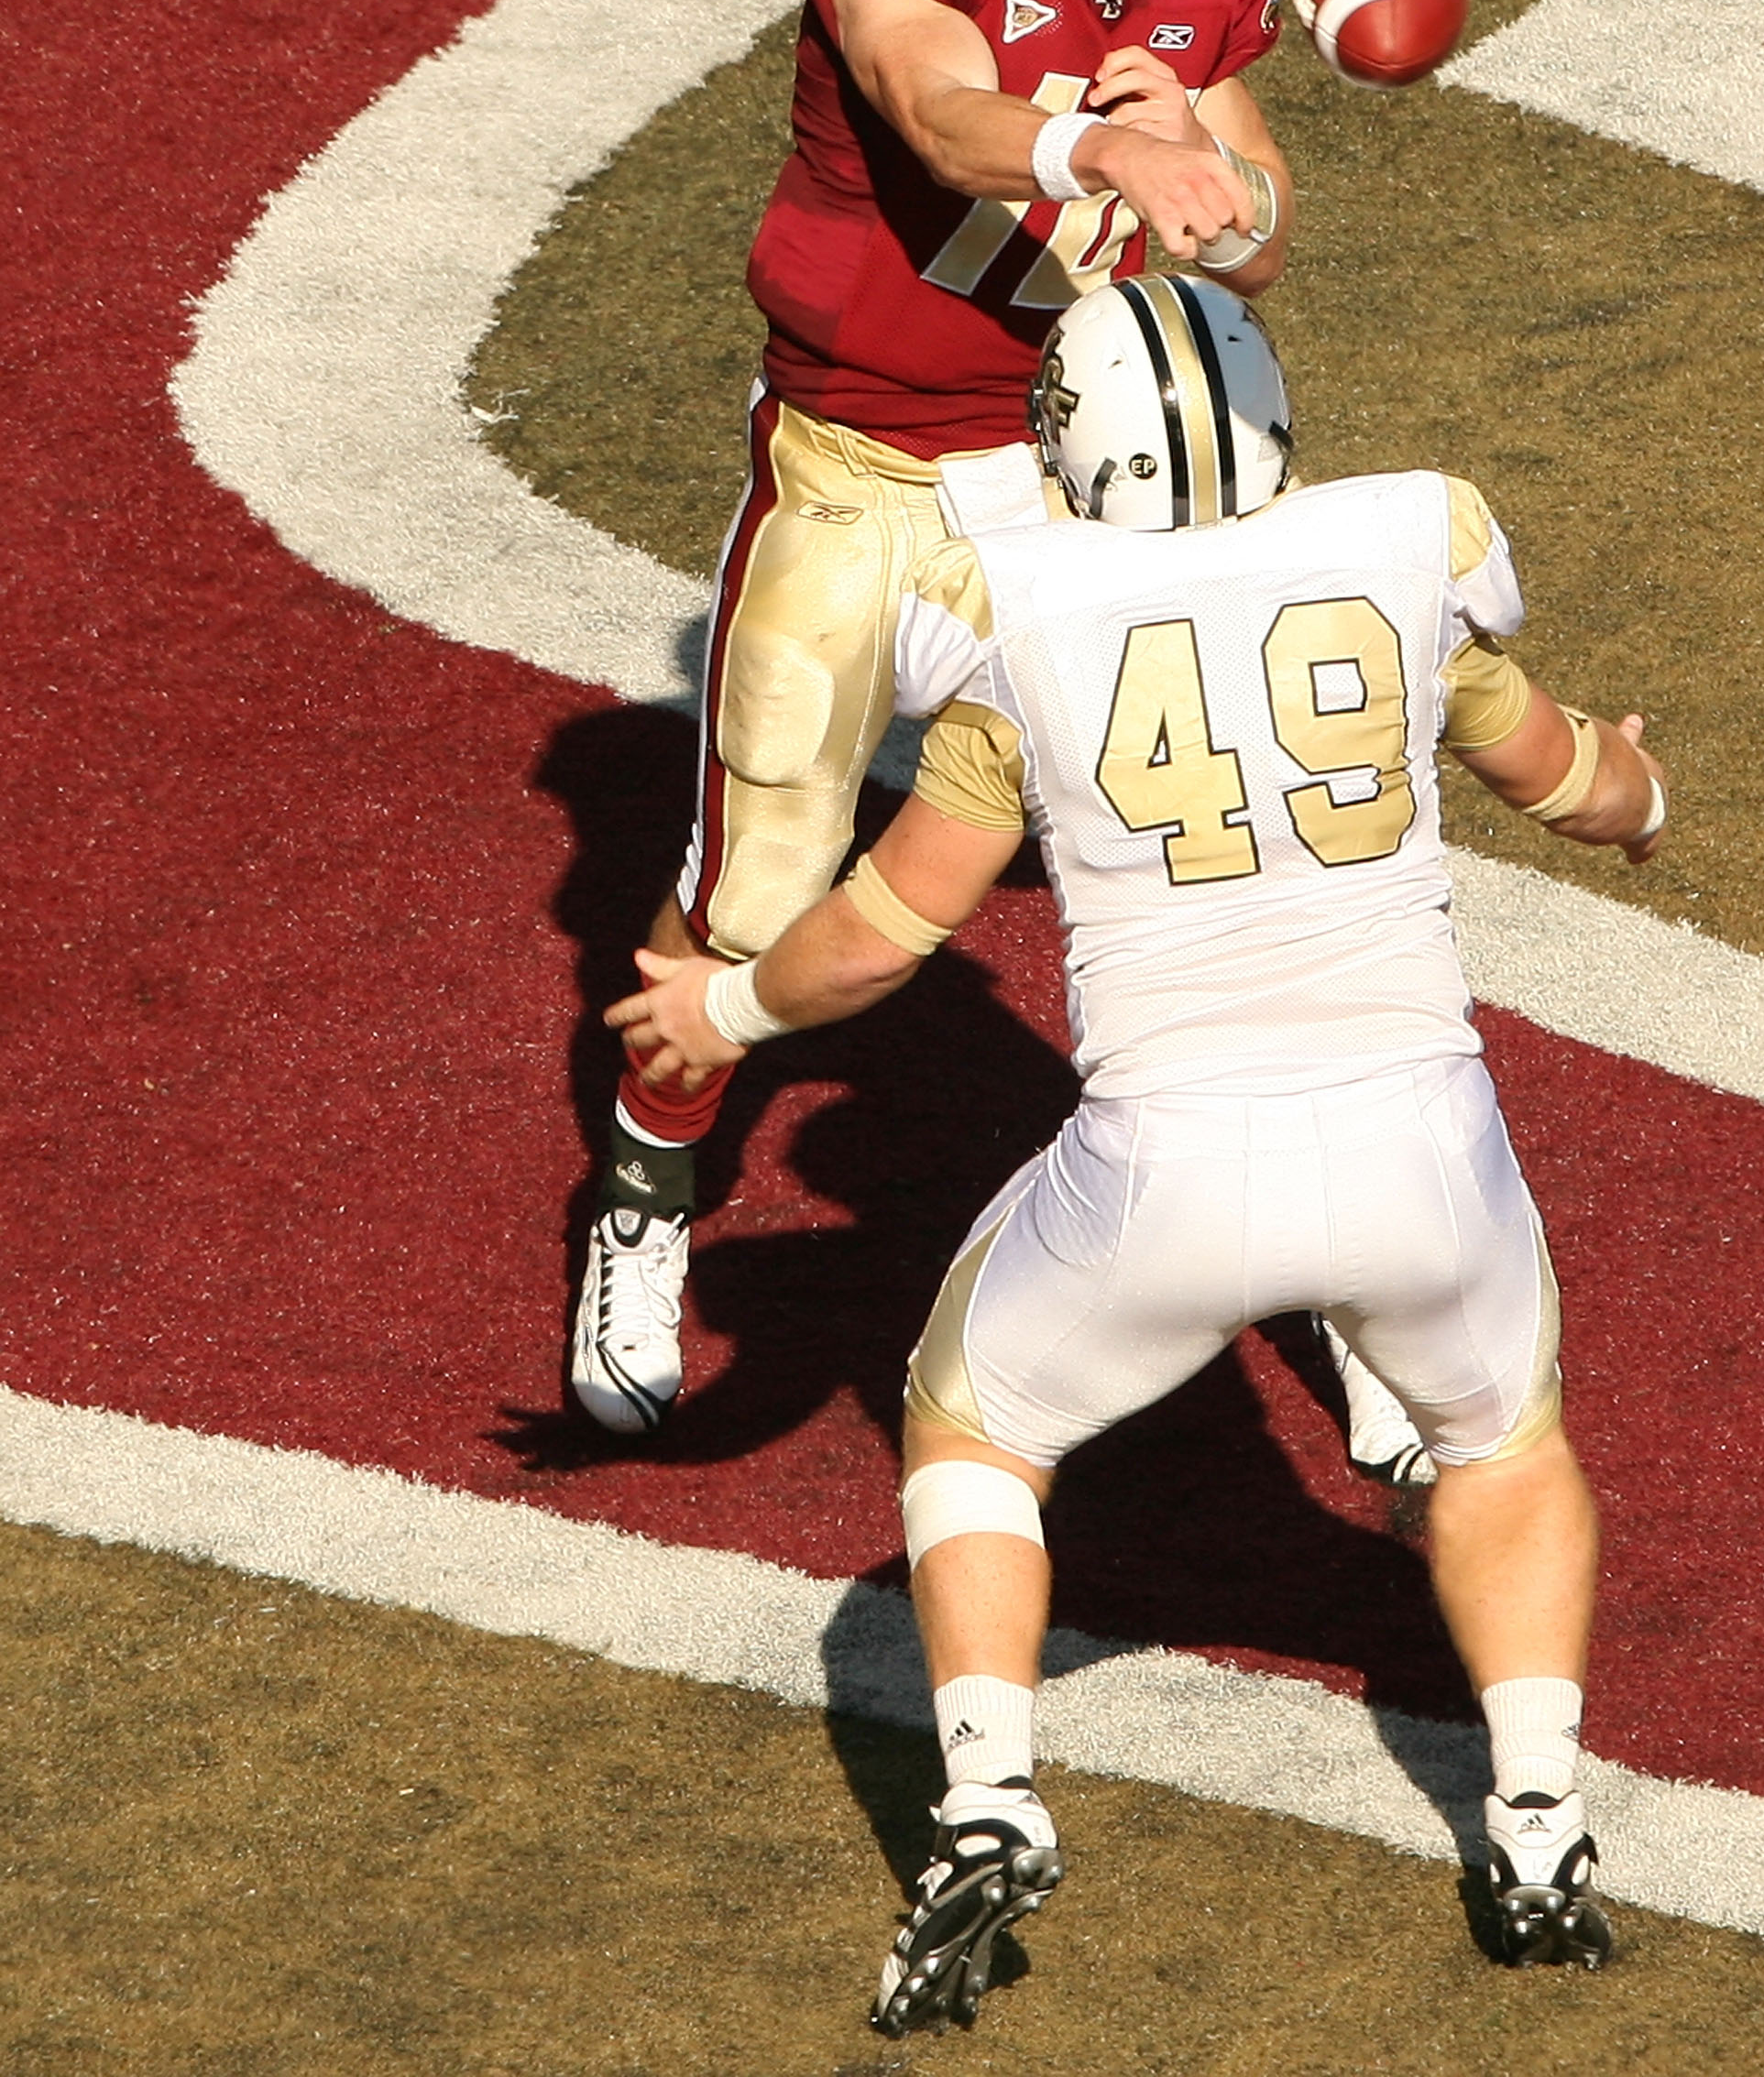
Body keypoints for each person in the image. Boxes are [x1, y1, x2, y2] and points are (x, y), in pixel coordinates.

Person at [608, 273, 1667, 2027]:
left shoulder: (1020, 618)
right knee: (1502, 1447)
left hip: (1166, 1164)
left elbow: (879, 931)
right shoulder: (1408, 556)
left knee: (974, 1424)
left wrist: (723, 1016)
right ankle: (1540, 1814)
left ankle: (987, 1800)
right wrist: (1643, 791)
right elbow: (1571, 779)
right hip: (1425, 1142)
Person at [568, 0, 1298, 1432]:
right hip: (853, 475)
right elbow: (930, 104)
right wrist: (1094, 147)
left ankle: (1323, 1270)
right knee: (752, 894)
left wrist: (1210, 172)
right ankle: (644, 1202)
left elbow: (1251, 222)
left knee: (1211, 856)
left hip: (1068, 495)